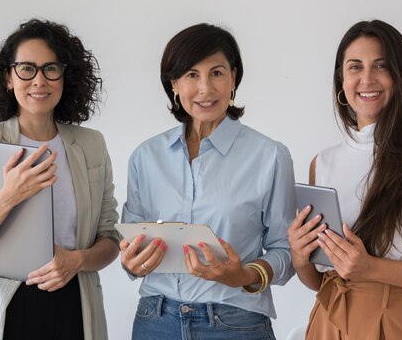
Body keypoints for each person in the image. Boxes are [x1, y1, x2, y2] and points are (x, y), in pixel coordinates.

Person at [287, 19, 402, 339]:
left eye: (381, 66)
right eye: (355, 67)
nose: (367, 79)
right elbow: (322, 279)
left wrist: (372, 269)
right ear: (341, 81)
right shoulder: (323, 163)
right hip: (328, 322)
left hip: (400, 324)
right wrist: (300, 256)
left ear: (400, 78)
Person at [0, 19, 120, 340]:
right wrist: (9, 195)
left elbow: (110, 240)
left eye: (51, 68)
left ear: (65, 77)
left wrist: (76, 260)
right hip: (0, 312)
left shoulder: (92, 145)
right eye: (26, 69)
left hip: (74, 305)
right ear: (8, 77)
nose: (39, 80)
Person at [120, 23, 296, 340]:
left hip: (235, 323)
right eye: (191, 75)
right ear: (173, 84)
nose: (205, 88)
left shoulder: (270, 156)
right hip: (155, 321)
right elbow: (131, 248)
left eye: (216, 73)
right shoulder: (145, 157)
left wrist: (244, 274)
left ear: (233, 78)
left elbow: (286, 249)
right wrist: (133, 263)